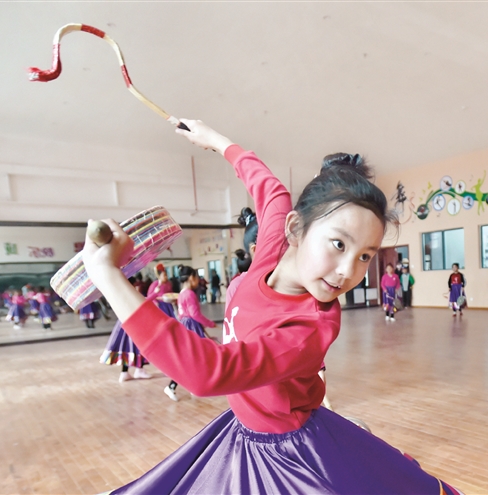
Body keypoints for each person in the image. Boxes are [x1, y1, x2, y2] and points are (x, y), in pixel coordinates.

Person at [80, 119, 461, 494]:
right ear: (294, 229)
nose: (348, 271)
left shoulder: (309, 328)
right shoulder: (271, 249)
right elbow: (269, 188)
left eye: (365, 256)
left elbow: (207, 372)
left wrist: (108, 276)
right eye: (339, 244)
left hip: (288, 455)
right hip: (242, 432)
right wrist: (216, 140)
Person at [164, 265, 217, 401]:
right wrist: (210, 323)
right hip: (191, 325)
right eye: (197, 277)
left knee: (192, 357)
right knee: (195, 357)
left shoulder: (182, 293)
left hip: (186, 325)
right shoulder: (189, 294)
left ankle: (192, 386)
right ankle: (172, 386)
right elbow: (195, 314)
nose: (198, 280)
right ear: (191, 278)